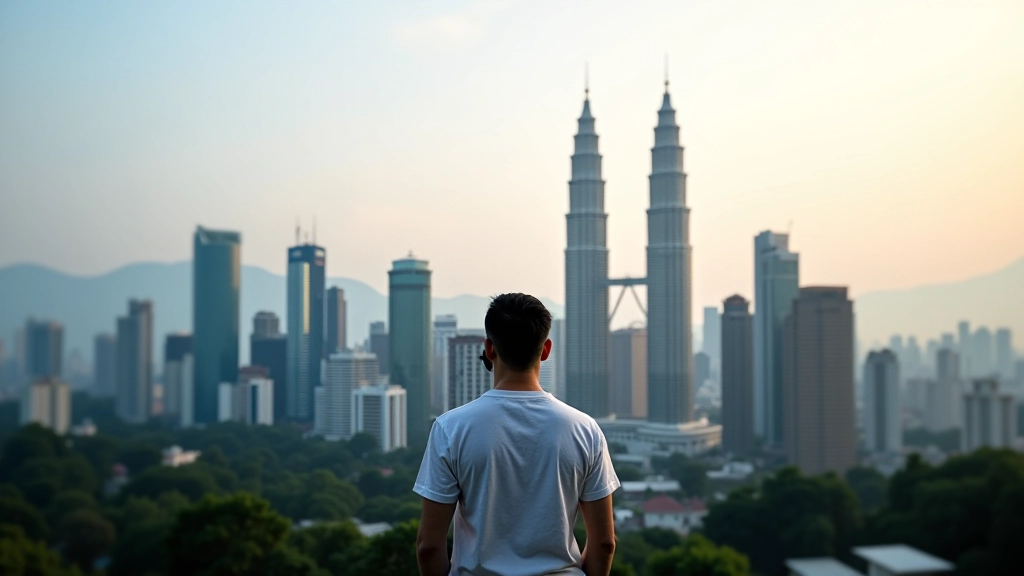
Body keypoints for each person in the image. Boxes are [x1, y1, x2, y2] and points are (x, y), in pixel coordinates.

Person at [414, 293, 620, 576]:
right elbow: (604, 543)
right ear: (546, 349)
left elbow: (429, 546)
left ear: (489, 348)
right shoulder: (584, 429)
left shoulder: (451, 428)